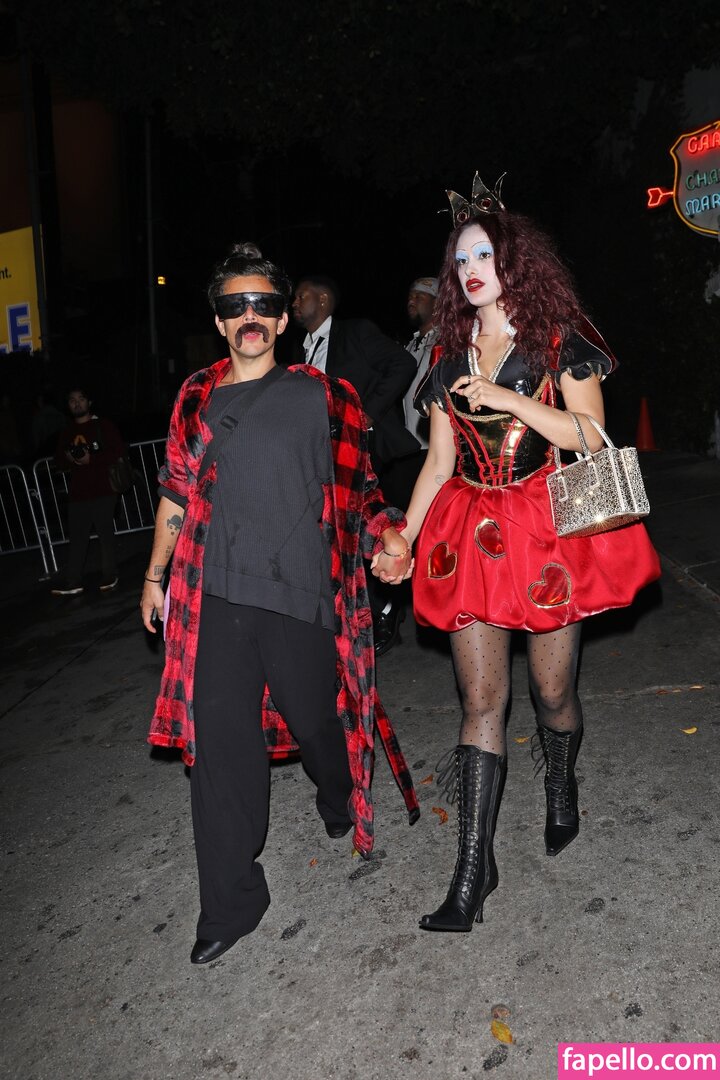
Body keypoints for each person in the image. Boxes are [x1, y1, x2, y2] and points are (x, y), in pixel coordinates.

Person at [141, 243, 419, 965]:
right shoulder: (197, 397)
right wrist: (155, 576)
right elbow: (176, 490)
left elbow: (360, 493)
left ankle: (337, 793)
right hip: (215, 594)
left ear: (283, 317)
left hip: (302, 595)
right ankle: (231, 903)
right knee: (220, 748)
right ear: (218, 321)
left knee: (317, 721)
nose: (250, 316)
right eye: (235, 306)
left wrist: (387, 536)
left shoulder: (324, 397)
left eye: (263, 303)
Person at [400, 174, 661, 933]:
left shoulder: (559, 340)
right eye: (460, 259)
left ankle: (561, 782)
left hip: (546, 532)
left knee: (551, 693)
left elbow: (591, 436)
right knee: (482, 702)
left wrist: (512, 399)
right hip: (472, 535)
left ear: (516, 260)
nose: (470, 269)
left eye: (484, 253)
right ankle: (472, 873)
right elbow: (438, 463)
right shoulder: (447, 352)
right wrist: (404, 538)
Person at [292, 275, 419, 655]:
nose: (294, 303)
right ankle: (353, 617)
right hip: (324, 461)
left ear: (323, 299)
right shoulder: (301, 352)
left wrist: (367, 413)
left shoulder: (355, 332)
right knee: (339, 539)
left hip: (368, 452)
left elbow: (402, 363)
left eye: (301, 296)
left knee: (377, 529)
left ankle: (385, 613)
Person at [51, 387, 125, 595]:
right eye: (72, 400)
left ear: (89, 402)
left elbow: (118, 451)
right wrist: (68, 459)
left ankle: (110, 574)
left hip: (104, 488)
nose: (77, 403)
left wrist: (91, 459)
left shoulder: (103, 425)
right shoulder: (66, 432)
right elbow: (58, 461)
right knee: (77, 538)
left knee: (105, 534)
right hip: (78, 492)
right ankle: (73, 581)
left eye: (81, 399)